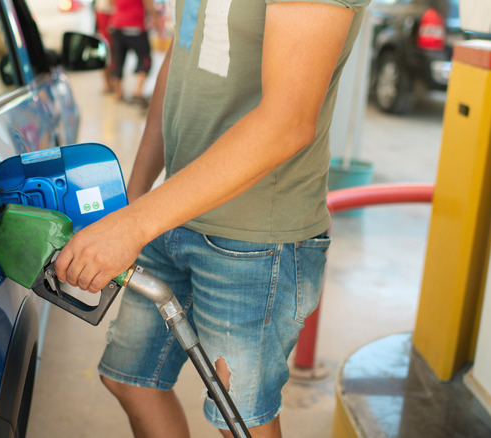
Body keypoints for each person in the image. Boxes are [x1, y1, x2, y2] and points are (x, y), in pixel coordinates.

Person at [55, 0, 370, 436]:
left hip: (255, 238)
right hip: (174, 206)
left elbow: (288, 121)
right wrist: (135, 195)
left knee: (239, 421)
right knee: (130, 379)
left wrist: (134, 224)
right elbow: (182, 59)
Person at [107, 0, 158, 105]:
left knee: (118, 59)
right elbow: (148, 4)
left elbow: (110, 3)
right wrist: (155, 18)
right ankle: (138, 92)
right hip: (135, 25)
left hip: (117, 25)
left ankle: (118, 92)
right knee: (144, 58)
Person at [94, 0, 114, 93]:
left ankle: (110, 82)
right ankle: (108, 83)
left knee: (110, 50)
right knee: (107, 49)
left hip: (109, 13)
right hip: (105, 13)